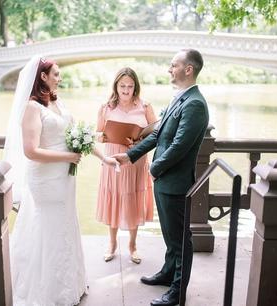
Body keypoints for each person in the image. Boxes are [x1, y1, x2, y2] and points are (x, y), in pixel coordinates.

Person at [4, 56, 117, 306]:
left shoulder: (57, 102)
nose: (60, 77)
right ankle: (46, 292)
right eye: (55, 73)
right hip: (45, 177)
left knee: (65, 224)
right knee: (49, 227)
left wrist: (104, 158)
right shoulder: (32, 108)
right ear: (42, 76)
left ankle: (68, 283)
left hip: (64, 177)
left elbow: (80, 136)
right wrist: (68, 156)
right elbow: (31, 151)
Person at [113, 49, 209, 306]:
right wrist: (130, 156)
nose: (169, 69)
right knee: (169, 235)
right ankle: (168, 273)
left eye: (173, 65)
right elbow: (157, 136)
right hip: (164, 180)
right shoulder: (179, 99)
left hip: (175, 182)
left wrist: (154, 169)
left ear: (188, 69)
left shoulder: (195, 104)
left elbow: (179, 146)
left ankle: (177, 293)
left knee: (180, 240)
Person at [96, 67, 157, 264]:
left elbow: (156, 133)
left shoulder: (145, 106)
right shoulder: (106, 108)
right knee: (114, 199)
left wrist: (138, 142)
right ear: (116, 86)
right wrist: (106, 136)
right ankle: (112, 243)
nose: (126, 90)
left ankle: (132, 245)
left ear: (135, 87)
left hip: (135, 160)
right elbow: (97, 134)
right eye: (122, 86)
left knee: (133, 201)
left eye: (130, 86)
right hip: (113, 159)